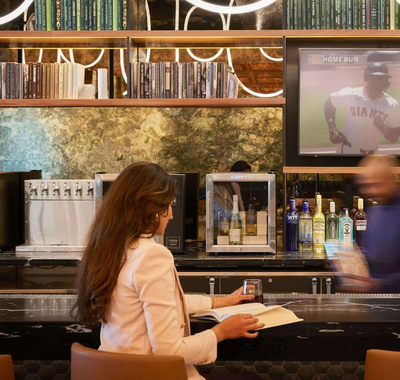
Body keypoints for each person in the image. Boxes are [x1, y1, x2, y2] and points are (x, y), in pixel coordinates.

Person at [74, 162, 264, 380]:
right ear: (150, 209)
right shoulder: (152, 255)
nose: (171, 215)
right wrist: (221, 332)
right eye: (168, 205)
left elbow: (157, 303)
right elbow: (170, 352)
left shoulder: (109, 249)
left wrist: (222, 301)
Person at [345, 154, 400, 293]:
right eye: (366, 186)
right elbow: (375, 255)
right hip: (377, 302)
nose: (371, 191)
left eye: (377, 185)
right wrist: (351, 262)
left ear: (390, 180)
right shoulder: (374, 211)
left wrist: (379, 284)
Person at [323, 62, 400, 155]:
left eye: (384, 78)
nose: (382, 80)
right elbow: (329, 103)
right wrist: (332, 129)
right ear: (367, 78)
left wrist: (382, 127)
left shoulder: (392, 104)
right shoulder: (352, 94)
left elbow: (394, 138)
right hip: (348, 152)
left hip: (372, 156)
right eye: (378, 77)